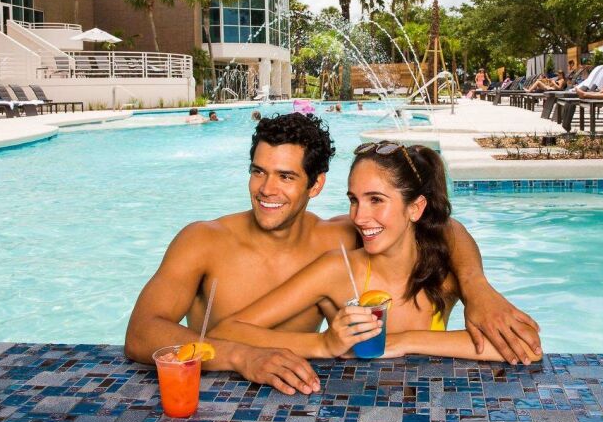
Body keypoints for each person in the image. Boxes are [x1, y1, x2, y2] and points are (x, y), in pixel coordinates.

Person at [125, 114, 542, 393]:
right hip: (212, 397)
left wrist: (476, 287)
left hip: (308, 393)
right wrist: (240, 356)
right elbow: (142, 334)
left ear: (316, 185)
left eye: (286, 176)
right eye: (258, 171)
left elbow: (441, 228)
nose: (267, 189)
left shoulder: (341, 238)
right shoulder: (203, 240)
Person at [212, 143, 536, 363]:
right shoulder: (338, 270)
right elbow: (227, 331)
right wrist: (324, 344)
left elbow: (528, 348)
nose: (359, 216)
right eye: (354, 200)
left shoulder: (442, 275)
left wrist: (402, 341)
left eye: (376, 200)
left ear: (415, 208)